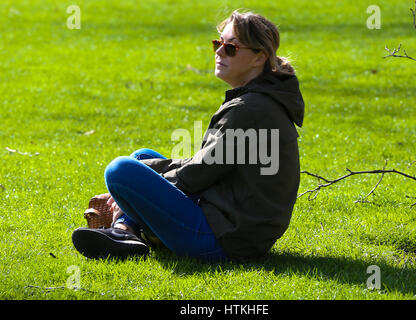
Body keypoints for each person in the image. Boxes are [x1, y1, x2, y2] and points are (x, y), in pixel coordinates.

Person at [72, 9, 305, 261]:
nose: (218, 52)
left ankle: (125, 227)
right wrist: (144, 175)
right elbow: (209, 164)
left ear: (258, 58)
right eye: (218, 43)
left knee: (120, 171)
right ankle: (125, 230)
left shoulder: (250, 109)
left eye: (231, 48)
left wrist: (125, 190)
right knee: (142, 157)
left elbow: (199, 172)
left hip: (224, 239)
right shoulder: (260, 100)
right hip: (233, 228)